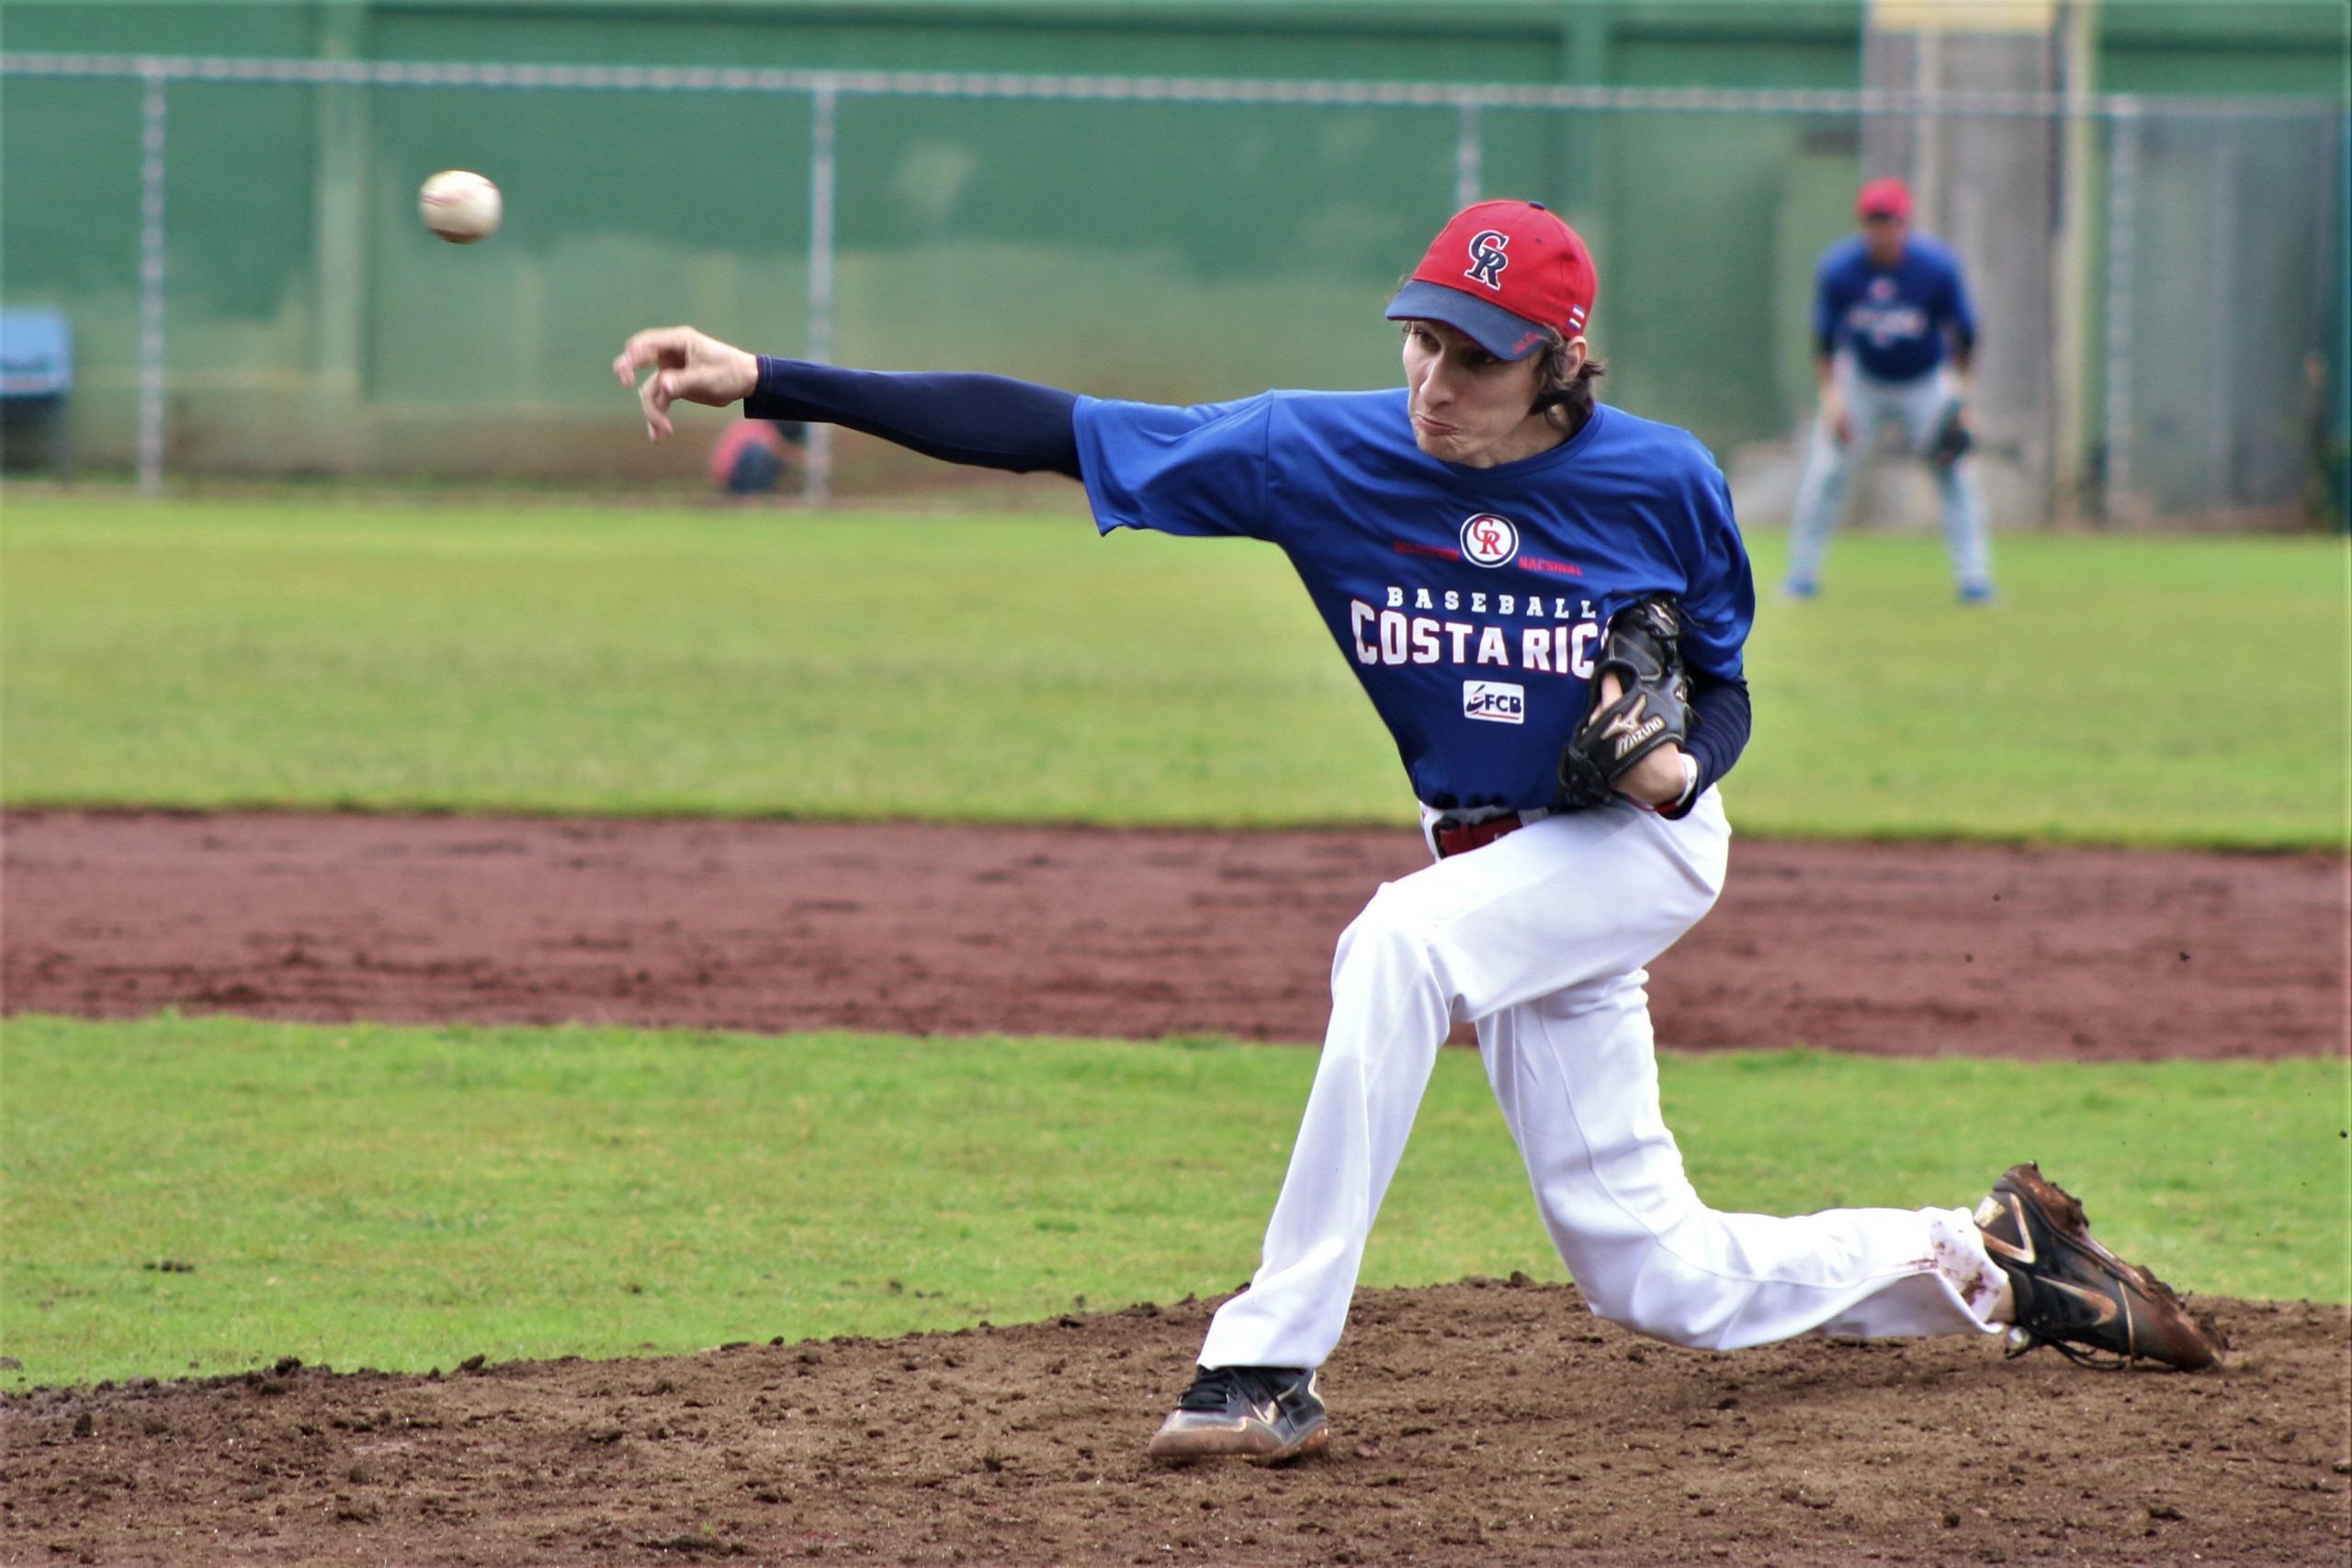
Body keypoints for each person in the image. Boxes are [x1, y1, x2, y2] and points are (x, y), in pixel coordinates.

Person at [614, 199, 2217, 1463]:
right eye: (1424, 342)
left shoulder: (1662, 480)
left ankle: (1263, 1363)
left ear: (1559, 366)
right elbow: (1047, 423)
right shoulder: (1323, 451)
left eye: (1479, 356)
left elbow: (1721, 691)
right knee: (1650, 1269)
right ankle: (1992, 1264)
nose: (1438, 380)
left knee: (1392, 944)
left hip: (1636, 851)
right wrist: (771, 380)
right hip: (1500, 866)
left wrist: (1679, 768)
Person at [1783, 177, 1996, 604]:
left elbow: (1966, 333)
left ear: (1905, 223)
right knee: (1827, 472)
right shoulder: (1840, 268)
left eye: (1890, 221)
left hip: (1924, 382)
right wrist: (1833, 399)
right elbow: (1824, 340)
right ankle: (1801, 576)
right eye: (1874, 221)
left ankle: (1974, 579)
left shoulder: (1935, 267)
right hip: (1862, 381)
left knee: (1955, 473)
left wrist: (1961, 398)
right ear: (1863, 223)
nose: (1882, 230)